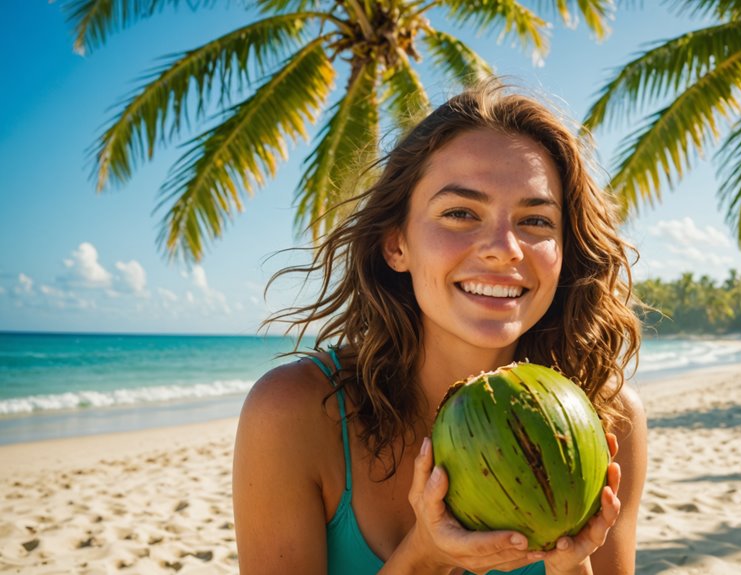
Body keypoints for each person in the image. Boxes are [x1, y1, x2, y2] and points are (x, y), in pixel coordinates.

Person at [232, 79, 647, 575]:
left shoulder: (607, 415)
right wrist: (426, 557)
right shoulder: (296, 414)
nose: (504, 247)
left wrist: (570, 566)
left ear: (565, 251)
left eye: (535, 221)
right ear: (396, 244)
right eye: (459, 213)